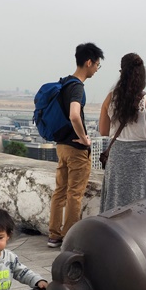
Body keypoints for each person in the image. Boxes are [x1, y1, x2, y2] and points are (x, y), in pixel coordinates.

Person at [48, 42, 105, 248]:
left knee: (60, 191)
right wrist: (84, 138)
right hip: (75, 148)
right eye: (97, 65)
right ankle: (70, 238)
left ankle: (54, 235)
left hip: (61, 146)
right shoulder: (77, 87)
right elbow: (74, 114)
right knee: (74, 193)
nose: (97, 69)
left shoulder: (64, 83)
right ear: (88, 62)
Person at [99, 53, 146, 213]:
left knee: (114, 201)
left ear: (122, 73)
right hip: (142, 161)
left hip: (118, 158)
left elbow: (103, 130)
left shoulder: (111, 98)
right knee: (140, 204)